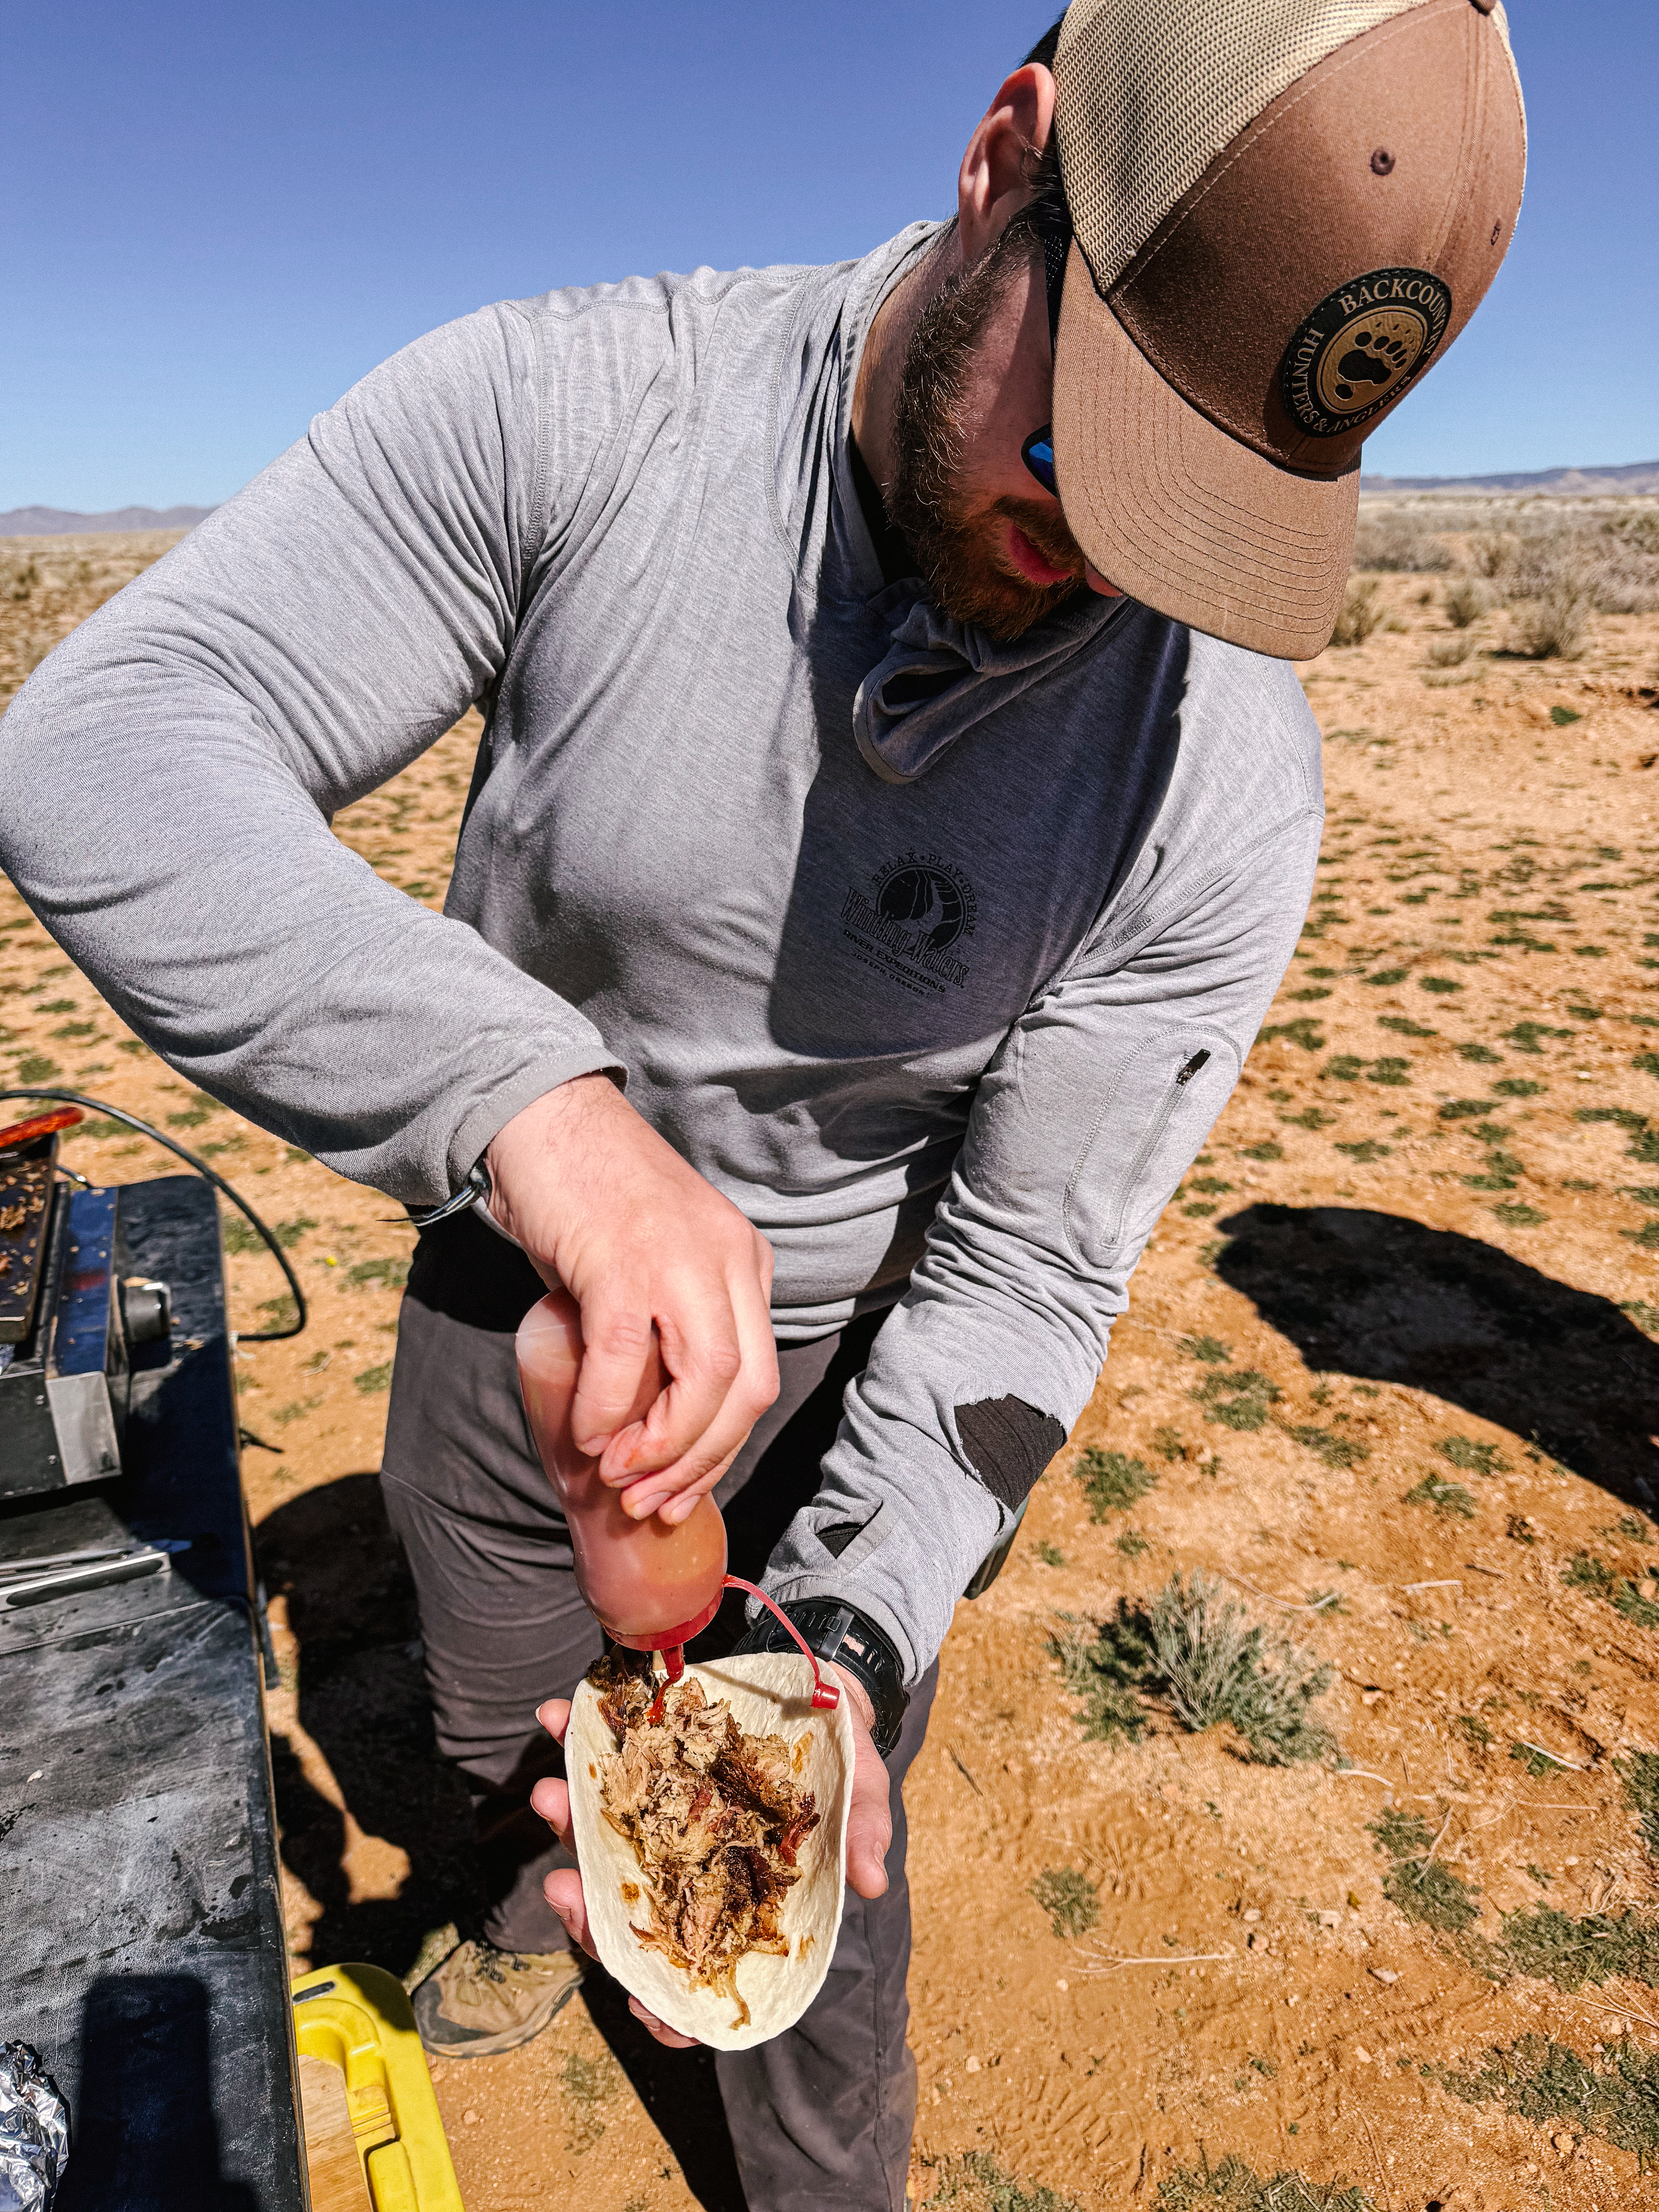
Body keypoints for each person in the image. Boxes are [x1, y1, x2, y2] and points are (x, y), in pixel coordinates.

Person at [0, 1, 1524, 2203]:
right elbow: (105, 750)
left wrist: (862, 1632)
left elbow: (1024, 1267)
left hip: (846, 1359)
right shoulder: (581, 408)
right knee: (500, 1720)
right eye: (1089, 442)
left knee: (819, 1920)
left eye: (1208, 512)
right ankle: (548, 1897)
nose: (1102, 562)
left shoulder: (1219, 772)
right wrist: (541, 1110)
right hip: (497, 1273)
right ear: (1011, 156)